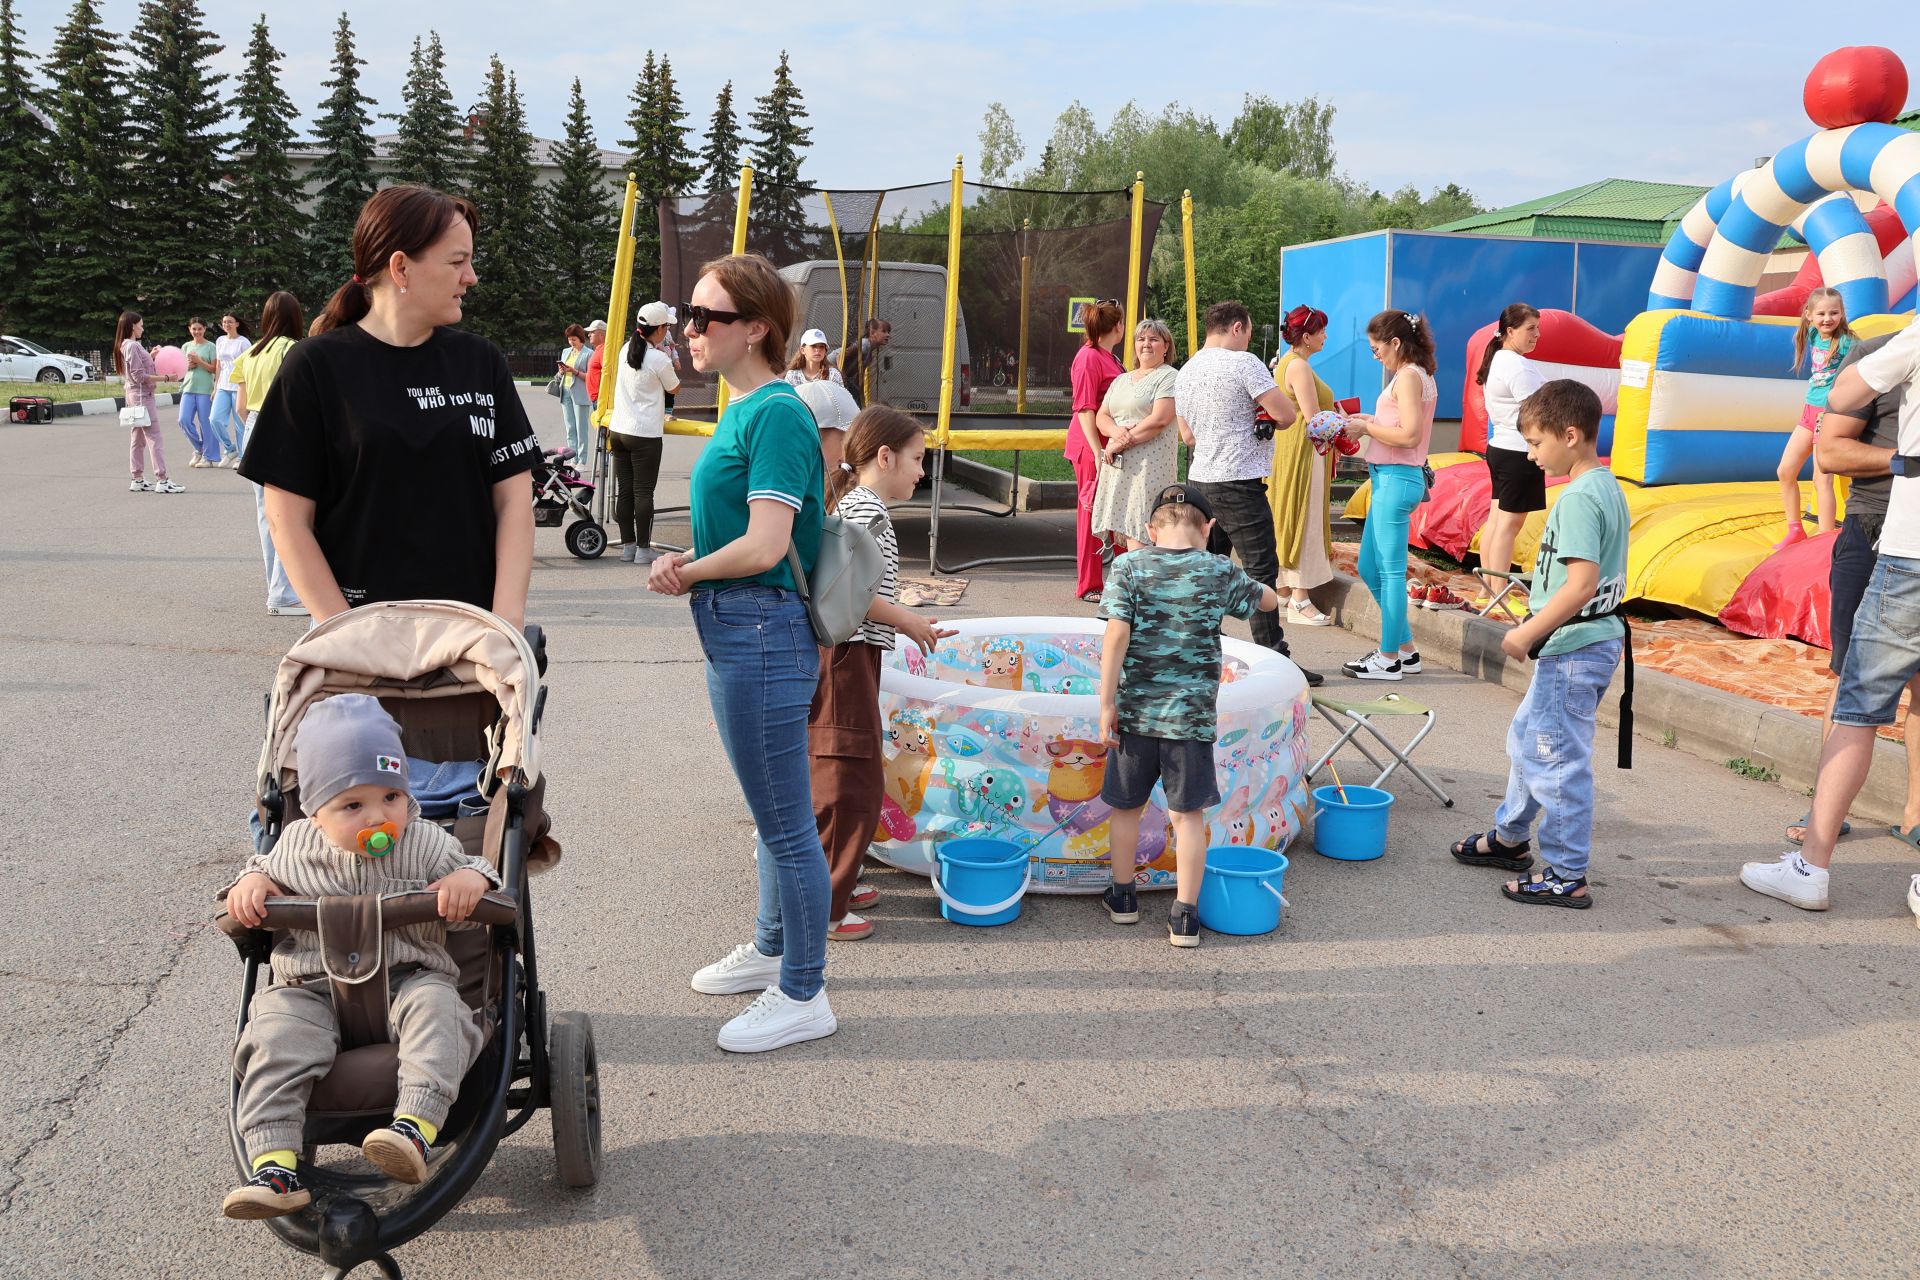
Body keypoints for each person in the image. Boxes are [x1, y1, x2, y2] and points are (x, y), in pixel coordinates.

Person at [647, 252, 835, 1054]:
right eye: (689, 316)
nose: (689, 332)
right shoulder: (742, 408)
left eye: (706, 319)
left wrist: (683, 568)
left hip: (759, 625)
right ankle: (769, 950)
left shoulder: (778, 414)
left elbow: (766, 544)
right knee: (770, 815)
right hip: (739, 625)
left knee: (789, 825)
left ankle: (804, 991)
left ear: (757, 327)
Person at [219, 695, 499, 1219]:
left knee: (440, 1010)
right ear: (315, 812)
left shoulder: (424, 841)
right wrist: (252, 884)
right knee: (273, 1036)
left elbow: (478, 869)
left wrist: (470, 880)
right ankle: (275, 1165)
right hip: (312, 989)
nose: (380, 817)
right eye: (353, 806)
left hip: (408, 979)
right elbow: (259, 870)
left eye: (392, 796)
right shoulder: (296, 846)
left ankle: (412, 1131)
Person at [240, 184, 538, 626]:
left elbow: (514, 501)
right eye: (458, 261)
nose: (471, 276)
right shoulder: (316, 366)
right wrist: (343, 632)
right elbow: (286, 519)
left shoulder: (480, 362)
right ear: (401, 268)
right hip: (356, 636)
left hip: (471, 637)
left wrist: (504, 626)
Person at [1743, 317, 1920, 913]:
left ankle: (1812, 865)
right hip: (1873, 534)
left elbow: (1840, 396)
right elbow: (1831, 442)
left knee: (1859, 704)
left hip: (1910, 551)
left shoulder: (1906, 341)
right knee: (1853, 688)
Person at [1450, 381, 1627, 909]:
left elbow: (1581, 584)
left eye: (1535, 443)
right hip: (1584, 642)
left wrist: (1526, 632)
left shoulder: (1577, 497)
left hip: (1571, 647)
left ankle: (1567, 872)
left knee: (1556, 759)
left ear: (1569, 436)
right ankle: (1510, 836)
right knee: (1529, 737)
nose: (1530, 454)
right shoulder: (1603, 485)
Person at [1098, 483, 1281, 947]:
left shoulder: (1128, 566)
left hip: (1134, 714)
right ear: (1209, 527)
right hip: (1191, 719)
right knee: (1188, 816)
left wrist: (1105, 703)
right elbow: (1268, 603)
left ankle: (1123, 898)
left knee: (1126, 807)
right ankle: (1184, 916)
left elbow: (1116, 635)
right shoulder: (1218, 569)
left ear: (1149, 528)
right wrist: (1253, 583)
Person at [811, 406, 953, 942]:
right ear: (885, 456)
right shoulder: (865, 513)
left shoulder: (857, 506)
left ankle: (837, 883)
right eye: (917, 459)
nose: (922, 471)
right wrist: (910, 621)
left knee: (850, 771)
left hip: (850, 655)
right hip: (846, 657)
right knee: (849, 778)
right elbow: (853, 591)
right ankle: (826, 903)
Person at [1780, 334, 1917, 848]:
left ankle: (1914, 816)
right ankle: (1826, 815)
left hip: (1913, 541)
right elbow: (1830, 449)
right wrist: (1906, 460)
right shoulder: (1879, 354)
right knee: (1852, 674)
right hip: (1873, 528)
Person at [1173, 300, 1314, 683]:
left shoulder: (1186, 370)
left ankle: (1206, 651)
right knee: (1259, 571)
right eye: (1248, 331)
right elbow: (1285, 415)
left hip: (1200, 480)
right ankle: (1274, 660)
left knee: (1209, 569)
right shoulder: (1245, 363)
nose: (1248, 339)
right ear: (1237, 328)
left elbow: (1187, 435)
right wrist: (1260, 417)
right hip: (1239, 482)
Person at [1341, 311, 1439, 682]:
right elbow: (1400, 425)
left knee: (1391, 573)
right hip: (1388, 478)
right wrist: (1369, 420)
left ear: (1396, 343)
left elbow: (1411, 435)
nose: (1374, 355)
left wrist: (1365, 426)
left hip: (1397, 478)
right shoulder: (1413, 375)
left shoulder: (1410, 377)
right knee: (1369, 567)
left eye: (1376, 347)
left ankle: (1387, 658)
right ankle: (1406, 651)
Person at [229, 291, 307, 616]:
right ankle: (284, 594)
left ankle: (276, 588)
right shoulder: (293, 350)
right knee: (290, 516)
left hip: (253, 429)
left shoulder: (250, 353)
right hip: (283, 430)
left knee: (266, 515)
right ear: (294, 317)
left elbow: (240, 407)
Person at [1269, 304, 1338, 627]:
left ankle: (1283, 588)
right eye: (1321, 331)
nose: (1325, 336)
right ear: (1307, 337)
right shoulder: (1298, 367)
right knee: (1304, 516)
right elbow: (1315, 419)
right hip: (1304, 451)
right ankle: (1300, 598)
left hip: (1290, 448)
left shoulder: (1288, 363)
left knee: (1288, 514)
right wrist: (1346, 425)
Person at [1772, 288, 1856, 550]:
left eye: (1834, 312)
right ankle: (1795, 530)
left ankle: (1824, 539)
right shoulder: (1811, 333)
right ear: (1809, 315)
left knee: (1823, 480)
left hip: (1829, 414)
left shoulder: (1846, 342)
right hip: (1808, 412)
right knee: (1785, 471)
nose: (1827, 318)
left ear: (1842, 314)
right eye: (1821, 313)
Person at [1475, 303, 1547, 609]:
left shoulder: (1502, 360)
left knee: (1497, 521)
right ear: (1510, 331)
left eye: (1538, 328)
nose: (1537, 335)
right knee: (1508, 526)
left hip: (1502, 448)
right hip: (1519, 451)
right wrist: (1537, 447)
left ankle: (1487, 590)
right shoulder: (1515, 365)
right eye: (1530, 329)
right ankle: (1498, 592)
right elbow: (1534, 414)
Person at [1090, 318, 1180, 555]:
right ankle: (1137, 586)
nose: (1146, 344)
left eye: (1153, 339)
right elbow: (1102, 417)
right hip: (1120, 468)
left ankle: (1145, 587)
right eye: (1141, 339)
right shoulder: (1121, 379)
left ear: (1166, 346)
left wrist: (1118, 443)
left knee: (1144, 526)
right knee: (1129, 530)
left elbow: (1159, 420)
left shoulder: (1169, 377)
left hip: (1149, 468)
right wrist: (1116, 433)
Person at [608, 301, 682, 564]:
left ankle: (628, 547)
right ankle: (643, 549)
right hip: (645, 434)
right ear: (660, 329)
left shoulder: (625, 349)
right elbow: (674, 388)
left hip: (618, 430)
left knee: (625, 490)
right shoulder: (659, 359)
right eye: (666, 327)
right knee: (643, 493)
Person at [1066, 301, 1126, 600]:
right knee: (1091, 513)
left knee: (1113, 511)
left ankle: (1124, 578)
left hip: (1106, 447)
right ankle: (1090, 584)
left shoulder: (1108, 358)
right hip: (1092, 447)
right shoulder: (1089, 357)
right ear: (1118, 327)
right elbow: (1084, 409)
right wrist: (1095, 453)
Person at [116, 311, 181, 494]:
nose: (142, 328)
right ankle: (162, 479)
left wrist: (151, 356)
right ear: (132, 326)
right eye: (141, 325)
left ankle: (137, 478)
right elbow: (138, 376)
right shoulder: (132, 346)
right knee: (154, 437)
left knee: (137, 438)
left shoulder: (127, 345)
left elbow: (136, 371)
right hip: (143, 397)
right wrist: (166, 378)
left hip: (134, 396)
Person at [210, 312, 251, 468]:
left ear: (237, 324)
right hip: (222, 386)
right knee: (214, 419)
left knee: (239, 425)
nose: (227, 325)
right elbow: (219, 366)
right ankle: (230, 448)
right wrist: (215, 387)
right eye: (225, 322)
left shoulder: (243, 342)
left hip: (238, 386)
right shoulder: (220, 340)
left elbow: (247, 366)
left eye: (230, 322)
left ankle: (241, 457)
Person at [179, 318, 219, 467]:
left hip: (205, 390)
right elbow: (181, 370)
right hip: (188, 388)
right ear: (189, 329)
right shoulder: (186, 346)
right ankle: (199, 448)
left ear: (204, 329)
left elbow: (214, 369)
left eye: (200, 329)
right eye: (194, 329)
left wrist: (199, 361)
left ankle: (208, 457)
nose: (197, 332)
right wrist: (189, 365)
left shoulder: (211, 347)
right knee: (183, 420)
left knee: (206, 424)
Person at [556, 323, 593, 461]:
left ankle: (582, 460)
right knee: (570, 428)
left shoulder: (589, 354)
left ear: (581, 339)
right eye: (569, 339)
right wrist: (561, 371)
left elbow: (590, 376)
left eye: (574, 339)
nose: (571, 342)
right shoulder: (566, 352)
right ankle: (573, 458)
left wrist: (574, 371)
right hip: (565, 391)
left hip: (580, 394)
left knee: (581, 429)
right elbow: (561, 374)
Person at [835, 317, 891, 406]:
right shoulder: (864, 344)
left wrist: (860, 393)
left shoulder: (869, 354)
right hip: (832, 368)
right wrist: (843, 376)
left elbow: (858, 378)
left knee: (856, 394)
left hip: (842, 375)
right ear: (872, 333)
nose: (888, 335)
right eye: (884, 331)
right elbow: (839, 356)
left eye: (888, 332)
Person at [584, 318, 608, 418]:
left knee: (603, 431)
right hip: (597, 399)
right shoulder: (599, 349)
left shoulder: (604, 351)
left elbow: (607, 374)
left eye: (592, 332)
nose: (589, 335)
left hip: (601, 400)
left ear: (601, 334)